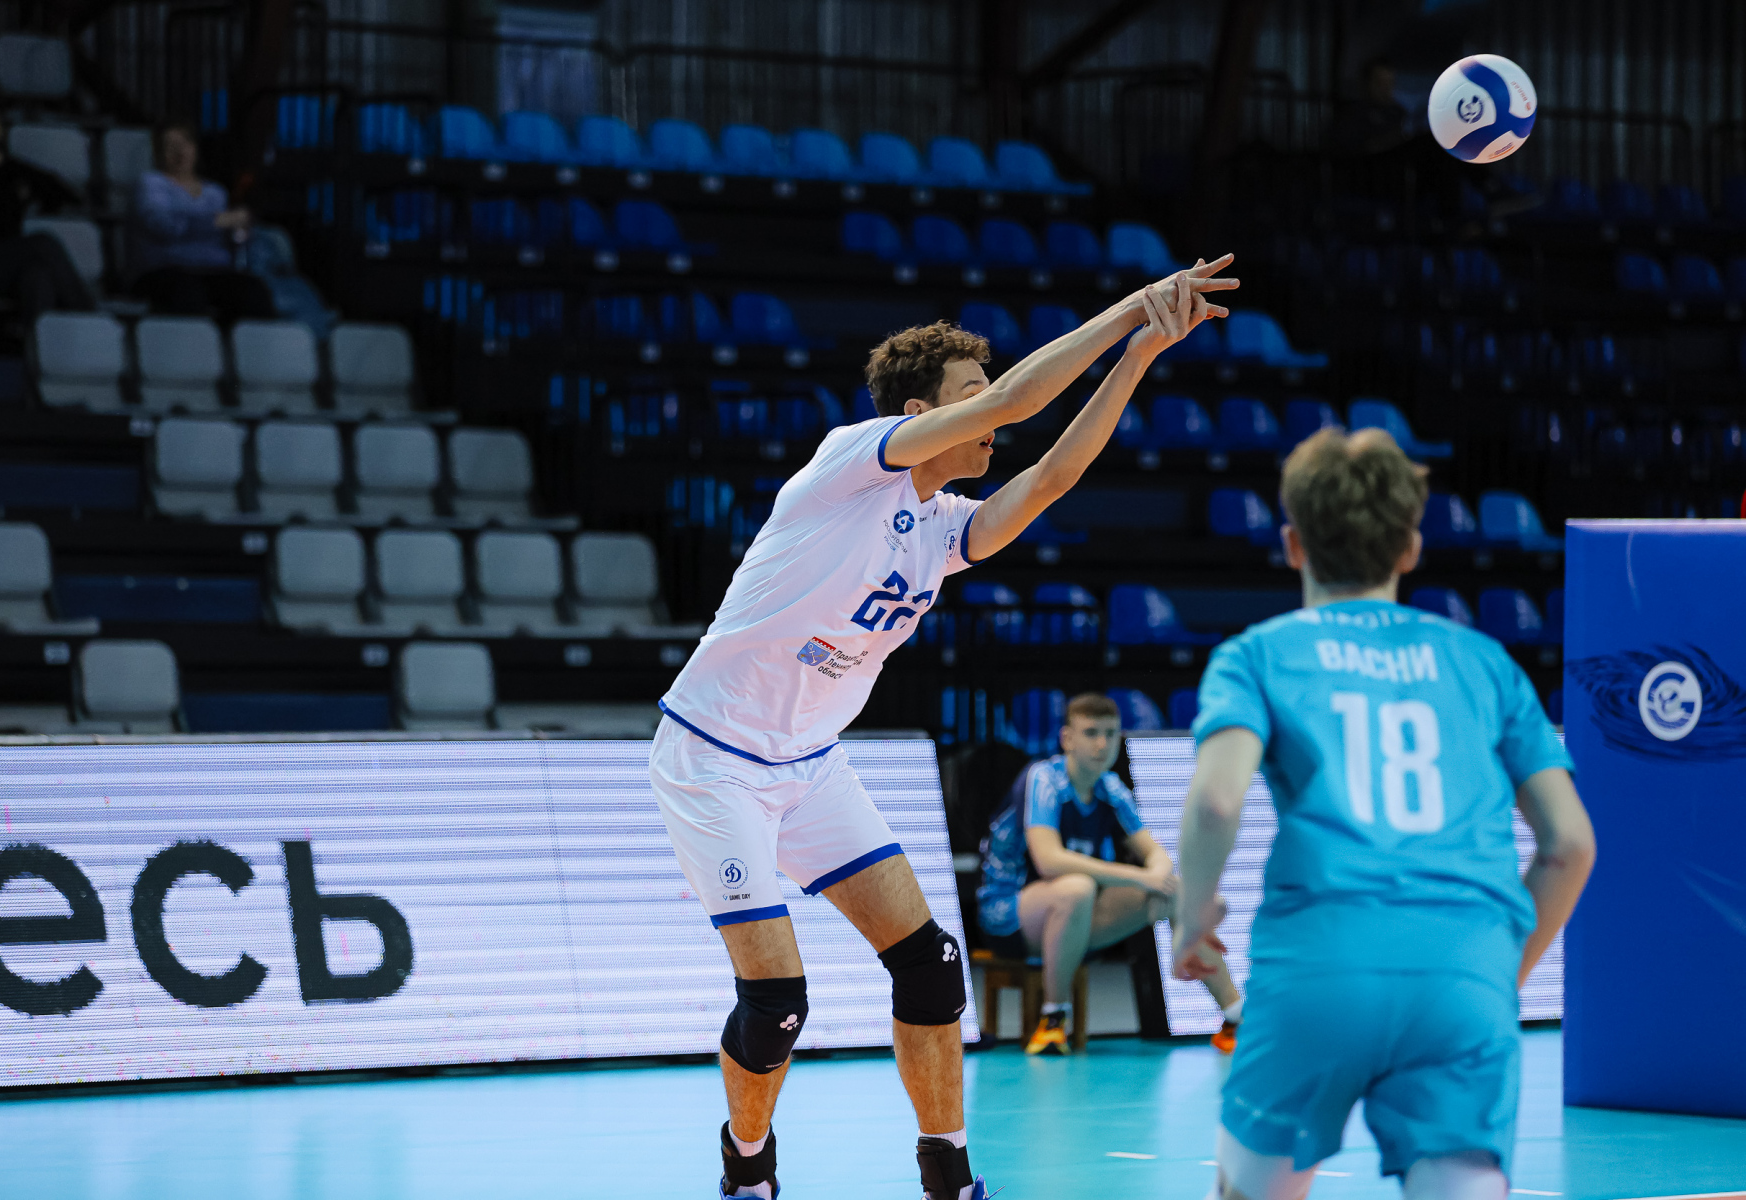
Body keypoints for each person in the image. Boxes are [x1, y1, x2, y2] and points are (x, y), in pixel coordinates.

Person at [652, 258, 1238, 1200]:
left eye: (985, 393)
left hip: (810, 767)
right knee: (777, 1000)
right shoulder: (852, 462)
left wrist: (1141, 353)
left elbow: (1052, 478)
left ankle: (948, 1176)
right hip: (714, 761)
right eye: (971, 397)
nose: (992, 417)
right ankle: (748, 1168)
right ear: (924, 414)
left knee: (931, 967)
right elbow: (1016, 401)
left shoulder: (938, 526)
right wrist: (1132, 304)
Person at [1171, 427, 1597, 1200]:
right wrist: (1497, 972)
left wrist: (1193, 916)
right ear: (1410, 547)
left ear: (1293, 544)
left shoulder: (1257, 654)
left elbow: (1215, 800)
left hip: (1318, 967)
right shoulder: (1485, 662)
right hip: (1464, 974)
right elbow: (1568, 844)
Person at [977, 691, 1243, 1056]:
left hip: (1076, 918)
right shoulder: (1044, 779)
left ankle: (1234, 1019)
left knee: (1177, 893)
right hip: (1008, 915)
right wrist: (1138, 877)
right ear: (1067, 738)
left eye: (1110, 733)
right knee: (1076, 887)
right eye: (1091, 733)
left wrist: (1166, 884)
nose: (1102, 744)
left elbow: (1156, 854)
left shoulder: (1110, 787)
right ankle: (1053, 1021)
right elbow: (1049, 861)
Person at [0, 89, 95, 319]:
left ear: (1, 127)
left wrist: (34, 198)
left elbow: (63, 192)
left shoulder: (8, 167)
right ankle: (91, 321)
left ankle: (37, 340)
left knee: (38, 275)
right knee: (43, 244)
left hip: (3, 267)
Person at [127, 121, 275, 322]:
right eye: (171, 146)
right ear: (159, 152)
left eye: (185, 144)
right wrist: (216, 221)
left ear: (195, 148)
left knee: (253, 291)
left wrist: (241, 229)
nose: (180, 152)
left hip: (213, 271)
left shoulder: (215, 192)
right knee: (187, 293)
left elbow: (232, 241)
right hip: (164, 270)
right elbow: (164, 226)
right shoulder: (150, 184)